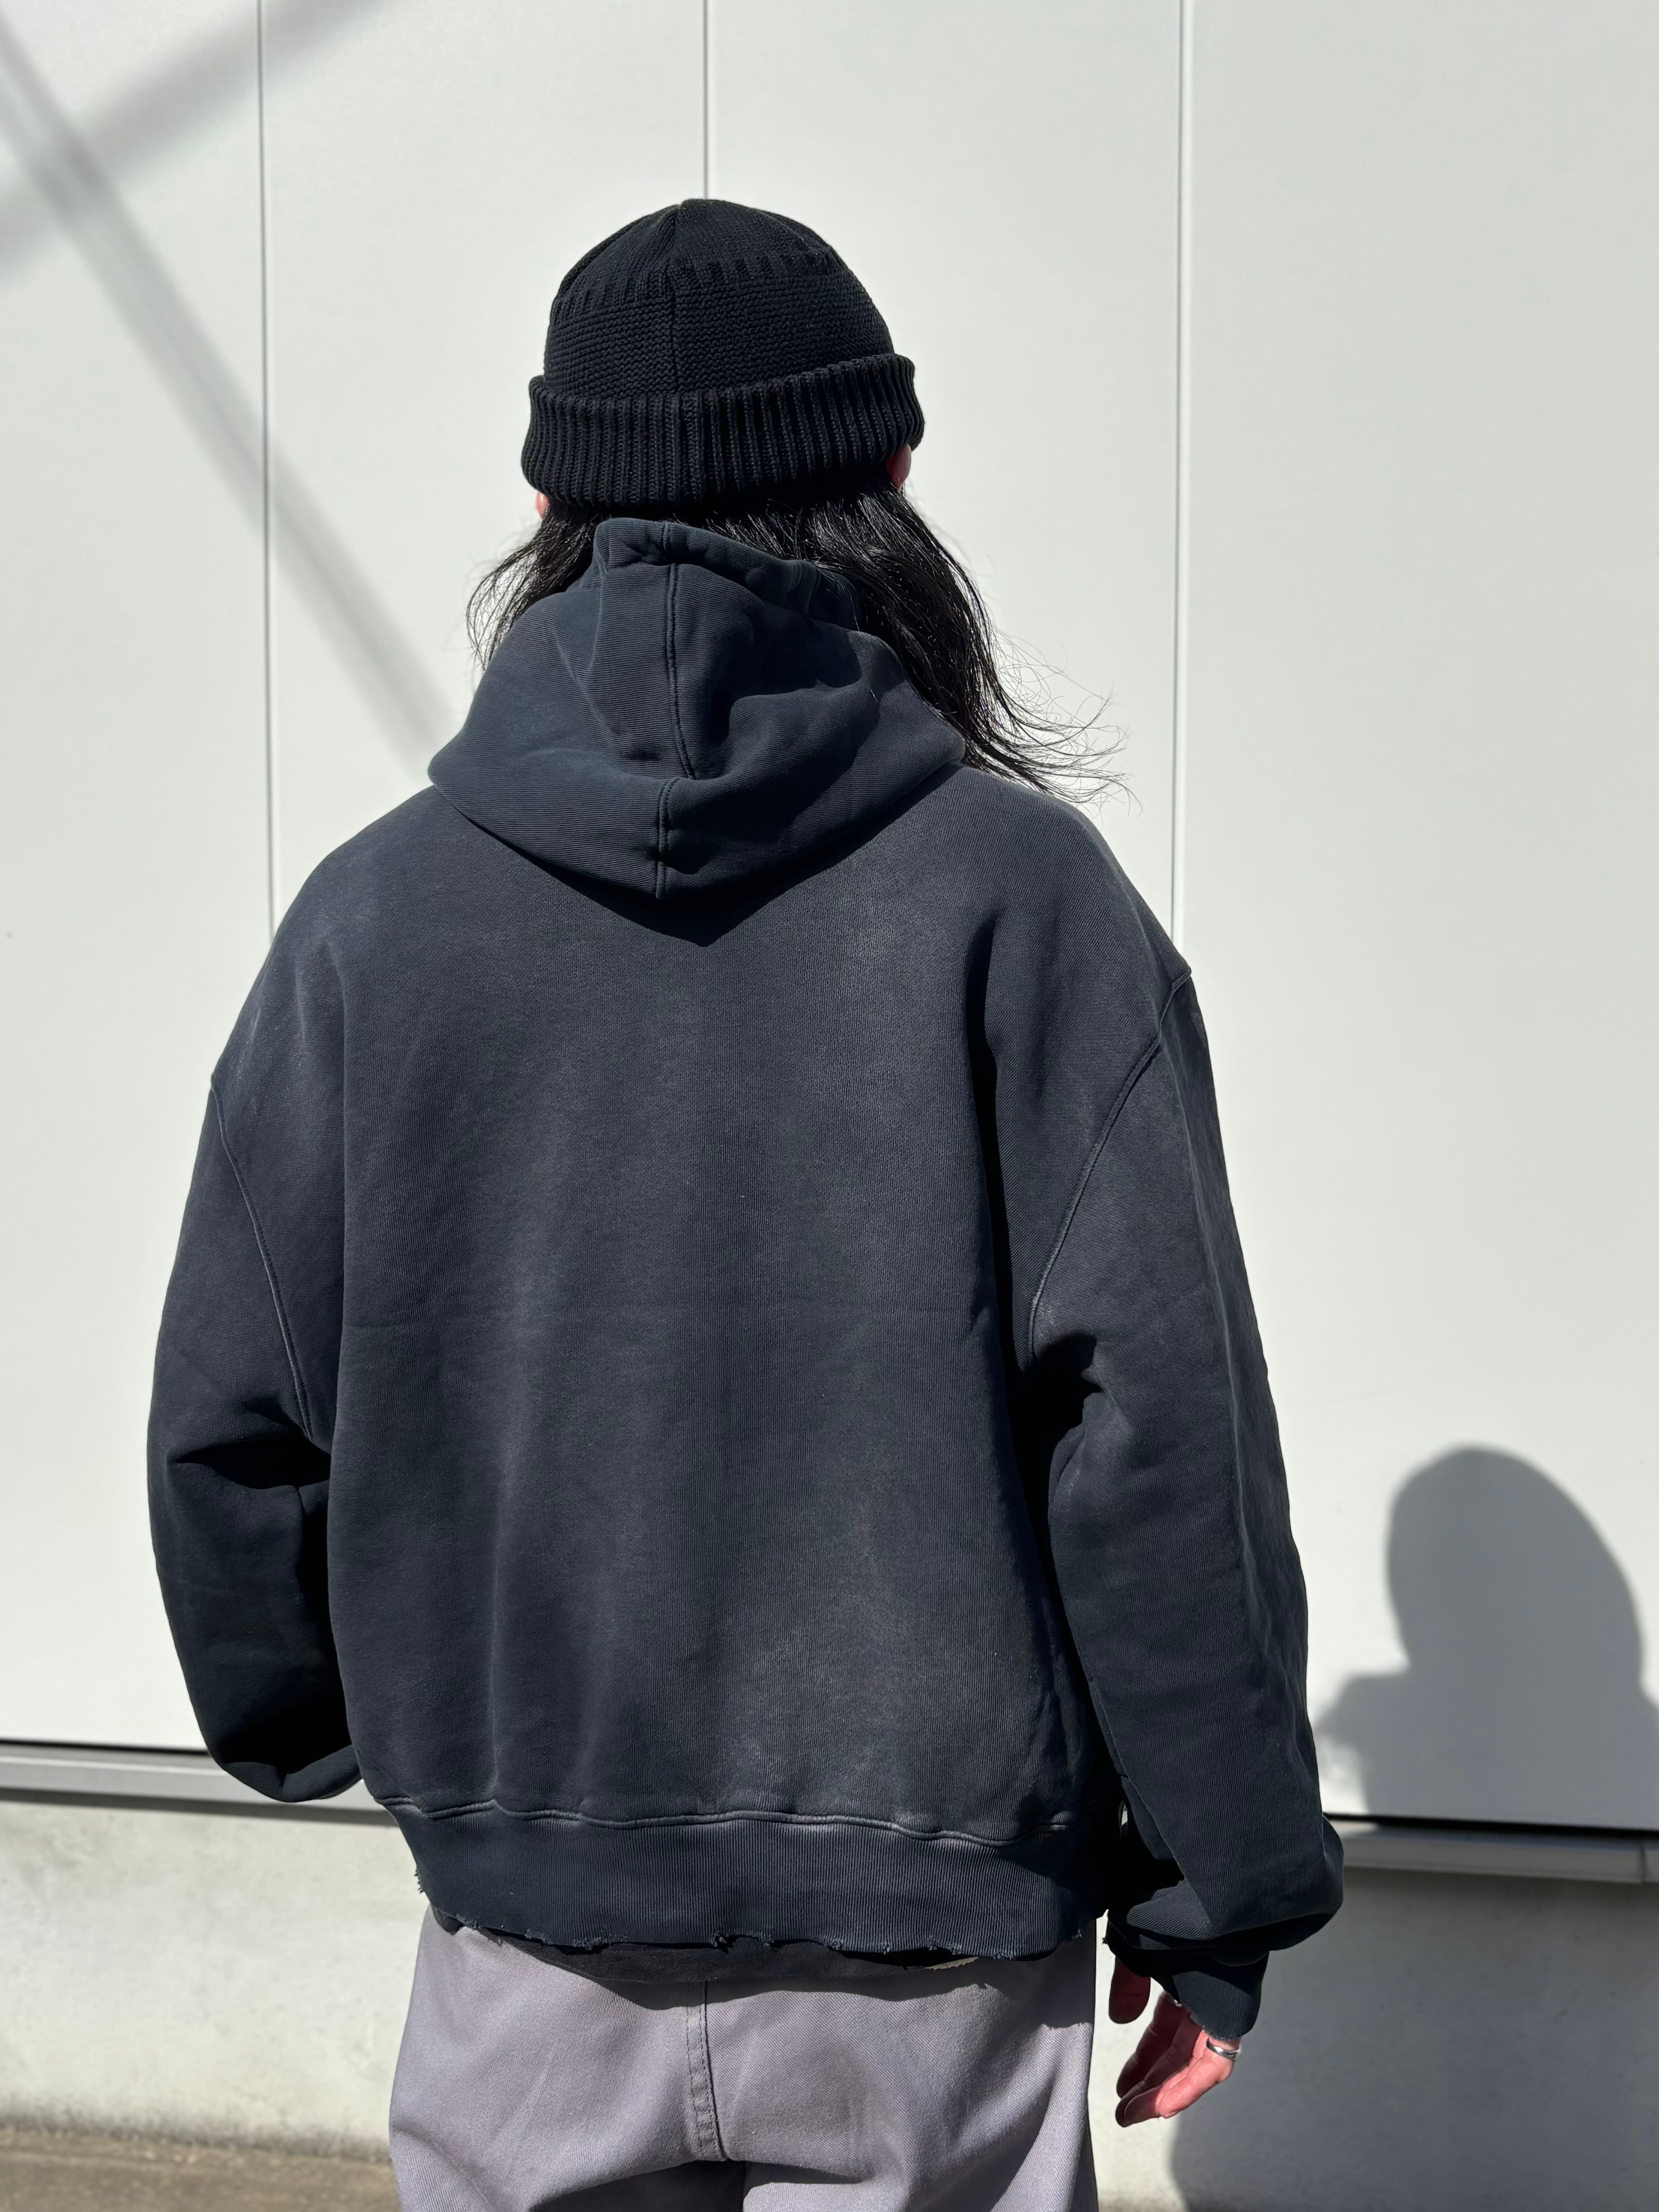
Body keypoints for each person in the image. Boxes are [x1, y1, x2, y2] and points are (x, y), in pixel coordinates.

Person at [148, 200, 1341, 2209]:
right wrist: (1218, 1885)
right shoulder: (1025, 902)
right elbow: (1158, 1435)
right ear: (894, 478)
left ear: (549, 501)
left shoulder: (372, 919)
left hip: (530, 1940)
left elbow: (234, 1419)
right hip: (939, 1964)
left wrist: (358, 1726)